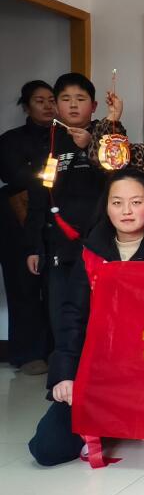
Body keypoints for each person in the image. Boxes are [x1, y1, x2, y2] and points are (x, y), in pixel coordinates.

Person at [29, 169, 144, 466]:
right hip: (101, 367)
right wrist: (65, 374)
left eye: (136, 202)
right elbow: (73, 316)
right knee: (48, 448)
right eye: (117, 202)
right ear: (106, 207)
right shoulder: (91, 251)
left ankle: (133, 416)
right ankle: (115, 417)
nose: (126, 211)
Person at [25, 73, 117, 359]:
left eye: (80, 99)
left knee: (100, 311)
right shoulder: (49, 142)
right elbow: (39, 198)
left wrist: (92, 144)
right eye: (65, 99)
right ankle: (65, 373)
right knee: (62, 312)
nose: (73, 105)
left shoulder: (107, 137)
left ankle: (97, 370)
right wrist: (34, 247)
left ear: (94, 105)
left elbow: (118, 177)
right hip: (60, 242)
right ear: (56, 105)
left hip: (101, 240)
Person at [0, 81, 55, 374]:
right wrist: (47, 174)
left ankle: (56, 350)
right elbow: (14, 174)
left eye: (51, 100)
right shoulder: (10, 139)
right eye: (39, 100)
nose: (47, 106)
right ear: (26, 106)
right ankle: (27, 352)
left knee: (57, 284)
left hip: (57, 215)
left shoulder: (65, 136)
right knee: (22, 282)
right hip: (18, 216)